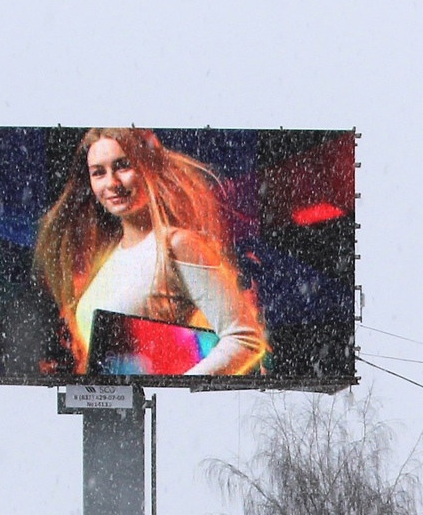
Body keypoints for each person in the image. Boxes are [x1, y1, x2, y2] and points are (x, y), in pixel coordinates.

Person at [32, 130, 266, 376]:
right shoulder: (106, 260)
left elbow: (245, 338)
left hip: (155, 410)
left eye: (123, 166)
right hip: (114, 411)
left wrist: (173, 394)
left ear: (148, 168)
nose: (112, 183)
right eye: (98, 172)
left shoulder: (176, 245)